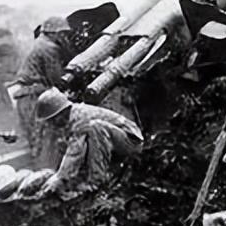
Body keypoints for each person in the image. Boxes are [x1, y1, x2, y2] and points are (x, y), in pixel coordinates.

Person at [35, 87, 143, 199]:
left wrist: (59, 177)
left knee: (95, 127)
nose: (52, 124)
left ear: (61, 112)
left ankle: (96, 183)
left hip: (132, 142)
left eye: (53, 119)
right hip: (118, 140)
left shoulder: (81, 118)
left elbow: (75, 153)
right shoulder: (73, 116)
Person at [10, 16, 73, 168]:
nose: (63, 37)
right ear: (54, 33)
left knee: (33, 138)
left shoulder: (37, 43)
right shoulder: (49, 48)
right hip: (34, 97)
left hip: (25, 95)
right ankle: (43, 170)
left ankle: (38, 168)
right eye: (62, 33)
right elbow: (56, 78)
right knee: (42, 139)